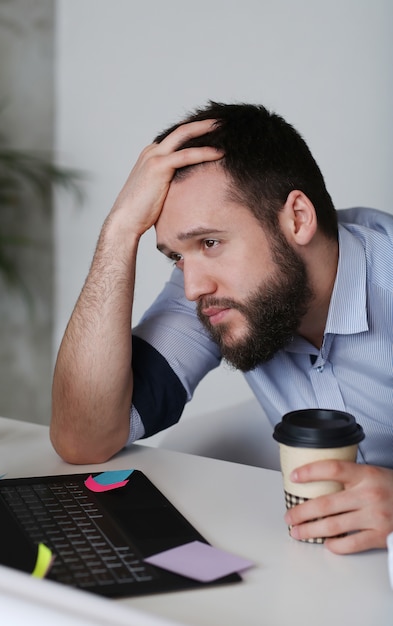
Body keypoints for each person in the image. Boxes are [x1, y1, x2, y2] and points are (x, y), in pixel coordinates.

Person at [50, 101, 393, 555]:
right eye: (176, 255)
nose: (192, 288)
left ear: (298, 218)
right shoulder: (215, 291)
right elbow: (83, 438)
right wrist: (119, 232)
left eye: (210, 242)